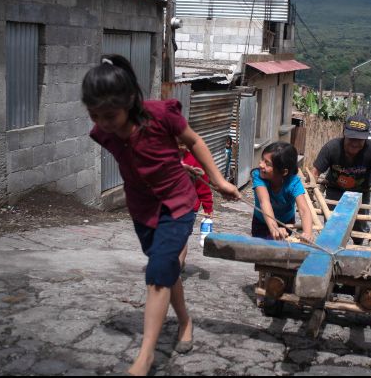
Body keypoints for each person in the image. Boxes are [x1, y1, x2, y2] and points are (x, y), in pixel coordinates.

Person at [82, 54, 240, 376]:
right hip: (142, 211)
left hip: (178, 204)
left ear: (130, 101)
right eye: (95, 115)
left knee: (157, 273)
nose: (103, 122)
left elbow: (194, 141)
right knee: (166, 271)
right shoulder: (104, 133)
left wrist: (219, 181)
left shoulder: (161, 115)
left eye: (110, 114)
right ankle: (185, 322)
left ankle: (145, 358)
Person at [312, 115, 371, 245]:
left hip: (360, 193)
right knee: (332, 227)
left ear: (366, 137)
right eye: (351, 138)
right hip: (335, 190)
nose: (355, 143)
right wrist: (309, 191)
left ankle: (358, 247)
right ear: (344, 133)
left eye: (359, 139)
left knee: (359, 229)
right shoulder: (332, 148)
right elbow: (314, 173)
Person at [251, 142, 313, 243]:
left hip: (286, 223)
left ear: (284, 172)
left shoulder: (294, 182)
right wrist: (274, 228)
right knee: (261, 250)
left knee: (281, 251)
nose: (261, 164)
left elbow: (304, 209)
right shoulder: (258, 176)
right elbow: (264, 202)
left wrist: (308, 233)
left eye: (267, 163)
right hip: (261, 222)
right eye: (262, 159)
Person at [177, 138, 214, 268]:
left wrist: (208, 208)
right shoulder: (164, 159)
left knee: (181, 238)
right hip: (167, 207)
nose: (179, 148)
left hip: (188, 208)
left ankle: (177, 268)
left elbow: (203, 187)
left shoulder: (194, 161)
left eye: (181, 143)